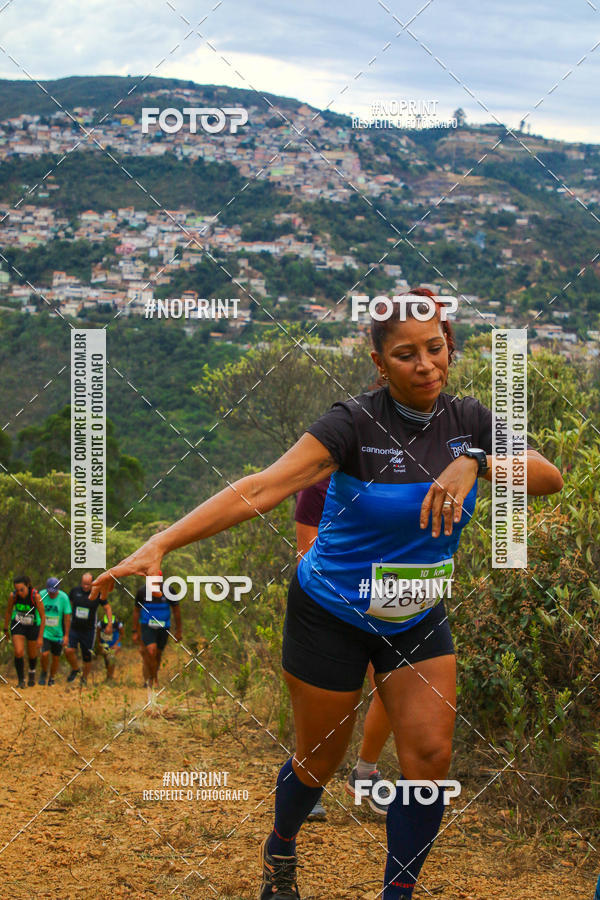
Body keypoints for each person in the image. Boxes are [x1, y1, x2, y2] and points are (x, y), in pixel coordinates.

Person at [91, 288, 564, 900]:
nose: (426, 366)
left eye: (435, 349)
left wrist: (476, 460)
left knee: (429, 759)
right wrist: (162, 542)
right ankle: (281, 847)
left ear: (449, 345)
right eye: (405, 355)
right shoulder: (352, 423)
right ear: (379, 362)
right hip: (331, 612)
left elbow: (547, 477)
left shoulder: (469, 420)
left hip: (415, 613)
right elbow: (261, 488)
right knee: (318, 761)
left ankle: (398, 893)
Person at [297, 476, 393, 821]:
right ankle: (311, 782)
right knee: (328, 697)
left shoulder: (396, 473)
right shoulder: (317, 484)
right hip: (331, 603)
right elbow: (306, 548)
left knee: (391, 687)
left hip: (388, 597)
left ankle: (365, 772)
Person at [132, 572, 182, 688]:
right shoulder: (142, 591)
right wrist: (134, 631)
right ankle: (152, 680)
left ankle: (153, 675)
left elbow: (176, 611)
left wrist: (178, 630)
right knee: (151, 651)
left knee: (158, 654)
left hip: (164, 627)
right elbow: (136, 611)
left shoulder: (169, 590)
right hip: (147, 625)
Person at [65, 572, 112, 685]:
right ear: (81, 582)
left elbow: (107, 607)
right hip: (74, 627)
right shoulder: (75, 591)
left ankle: (84, 679)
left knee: (87, 655)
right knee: (68, 650)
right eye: (84, 584)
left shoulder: (97, 592)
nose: (86, 586)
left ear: (92, 583)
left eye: (88, 584)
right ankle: (76, 669)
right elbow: (68, 606)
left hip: (89, 629)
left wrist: (109, 623)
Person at [4, 575, 45, 687]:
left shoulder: (35, 596)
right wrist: (5, 628)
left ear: (28, 585)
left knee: (32, 654)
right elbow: (8, 612)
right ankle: (21, 680)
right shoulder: (13, 596)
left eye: (22, 589)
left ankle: (32, 671)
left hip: (32, 626)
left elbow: (43, 617)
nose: (19, 592)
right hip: (18, 625)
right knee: (19, 651)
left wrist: (40, 637)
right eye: (17, 590)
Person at [39, 576, 71, 685]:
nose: (52, 594)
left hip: (58, 633)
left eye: (54, 592)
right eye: (50, 592)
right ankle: (43, 672)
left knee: (56, 657)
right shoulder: (41, 595)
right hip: (44, 632)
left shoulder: (64, 598)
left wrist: (66, 635)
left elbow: (67, 617)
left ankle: (52, 677)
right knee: (44, 654)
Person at [96, 612, 124, 682]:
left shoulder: (118, 624)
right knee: (106, 660)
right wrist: (100, 645)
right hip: (104, 645)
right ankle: (108, 676)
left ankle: (110, 678)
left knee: (111, 657)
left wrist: (116, 644)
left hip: (114, 644)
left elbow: (122, 634)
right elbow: (97, 635)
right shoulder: (100, 624)